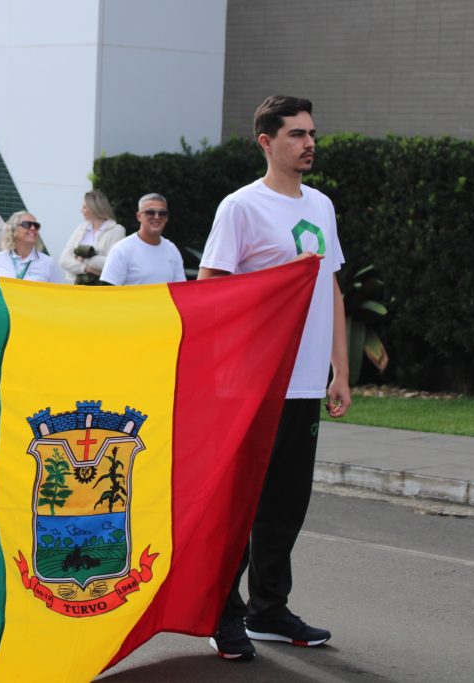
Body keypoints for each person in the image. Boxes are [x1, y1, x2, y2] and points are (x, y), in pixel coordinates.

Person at [198, 95, 350, 661]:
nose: (309, 143)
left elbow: (330, 287)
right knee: (243, 503)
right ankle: (221, 611)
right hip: (253, 385)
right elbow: (213, 287)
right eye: (296, 135)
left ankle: (268, 609)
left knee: (287, 503)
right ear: (267, 142)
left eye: (312, 133)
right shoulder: (241, 207)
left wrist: (339, 367)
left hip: (306, 382)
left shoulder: (323, 206)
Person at [100, 193, 185, 285]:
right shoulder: (122, 250)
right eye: (150, 212)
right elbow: (108, 292)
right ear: (139, 216)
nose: (157, 217)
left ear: (167, 217)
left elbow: (180, 290)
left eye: (162, 213)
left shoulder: (172, 249)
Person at [59, 190, 124, 284]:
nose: (81, 211)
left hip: (103, 288)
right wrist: (85, 268)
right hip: (77, 287)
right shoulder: (80, 229)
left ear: (95, 208)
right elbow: (63, 260)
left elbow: (113, 263)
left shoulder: (117, 230)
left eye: (84, 207)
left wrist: (82, 258)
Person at [0, 210, 55, 282]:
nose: (33, 228)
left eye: (36, 226)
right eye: (27, 224)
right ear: (14, 230)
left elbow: (59, 292)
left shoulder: (48, 263)